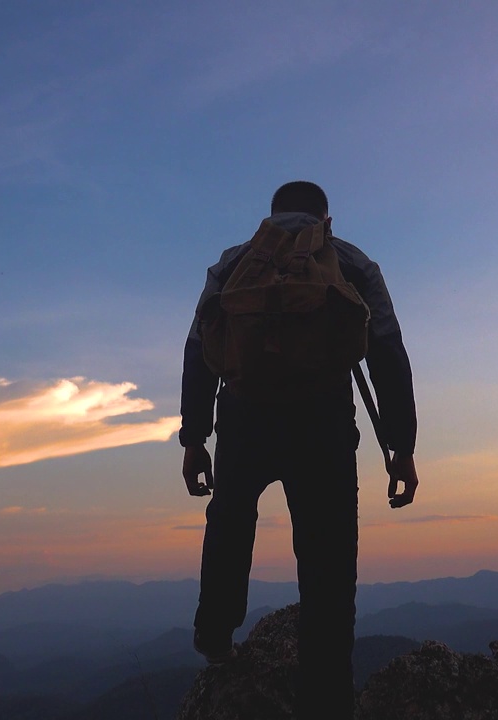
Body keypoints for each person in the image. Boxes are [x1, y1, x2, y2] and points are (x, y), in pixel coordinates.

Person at [180, 181, 420, 717]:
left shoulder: (234, 263)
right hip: (323, 422)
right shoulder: (351, 263)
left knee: (231, 519)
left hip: (244, 415)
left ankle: (215, 636)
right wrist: (400, 448)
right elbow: (387, 349)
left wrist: (194, 440)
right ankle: (328, 695)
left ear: (271, 215)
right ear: (325, 219)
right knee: (328, 556)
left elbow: (199, 349)